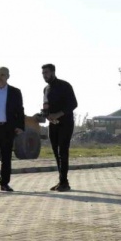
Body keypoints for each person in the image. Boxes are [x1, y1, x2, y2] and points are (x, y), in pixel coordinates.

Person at [42, 64, 78, 192]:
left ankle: (64, 182)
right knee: (56, 153)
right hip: (53, 124)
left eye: (46, 72)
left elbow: (73, 104)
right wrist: (46, 116)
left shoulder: (65, 86)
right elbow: (46, 106)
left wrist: (58, 114)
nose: (44, 75)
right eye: (43, 73)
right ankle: (62, 180)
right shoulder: (46, 89)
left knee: (63, 151)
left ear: (52, 72)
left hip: (66, 123)